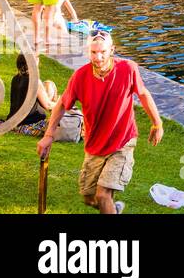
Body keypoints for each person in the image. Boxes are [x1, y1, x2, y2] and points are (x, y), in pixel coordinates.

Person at [38, 31, 164, 214]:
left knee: (103, 194)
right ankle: (113, 210)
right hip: (94, 145)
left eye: (103, 52)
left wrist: (157, 123)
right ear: (87, 51)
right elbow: (61, 105)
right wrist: (49, 135)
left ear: (112, 50)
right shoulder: (80, 77)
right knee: (89, 198)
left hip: (122, 142)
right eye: (94, 52)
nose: (98, 57)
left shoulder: (128, 68)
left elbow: (143, 94)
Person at [8, 53, 58, 135]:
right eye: (37, 58)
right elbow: (48, 105)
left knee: (49, 84)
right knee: (64, 124)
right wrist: (62, 104)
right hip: (29, 124)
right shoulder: (34, 81)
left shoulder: (15, 78)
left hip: (13, 122)